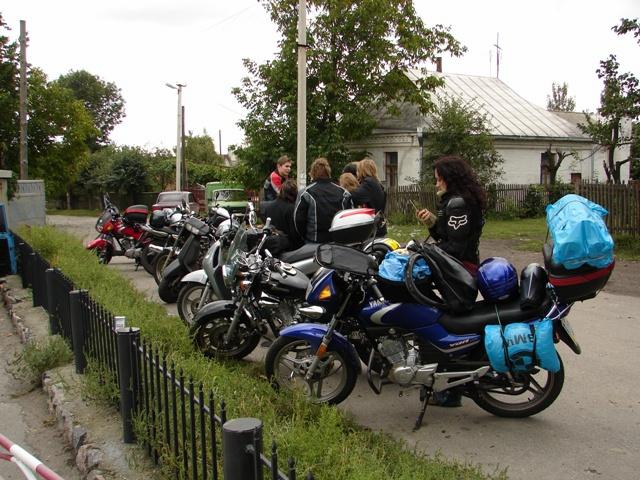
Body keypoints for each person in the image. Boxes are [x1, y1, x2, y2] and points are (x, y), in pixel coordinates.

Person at [416, 154, 487, 407]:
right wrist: (432, 223)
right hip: (459, 267)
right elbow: (448, 236)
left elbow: (455, 248)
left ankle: (450, 391)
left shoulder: (457, 203)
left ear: (449, 178)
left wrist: (424, 251)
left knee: (447, 326)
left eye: (438, 179)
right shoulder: (458, 200)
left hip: (459, 271)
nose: (436, 183)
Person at [294, 157, 353, 243]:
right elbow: (350, 218)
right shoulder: (343, 193)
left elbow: (298, 221)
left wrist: (305, 237)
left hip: (314, 242)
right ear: (328, 172)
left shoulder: (306, 193)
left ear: (312, 173)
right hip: (338, 242)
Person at [261, 179, 302, 254]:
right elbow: (295, 233)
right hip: (288, 249)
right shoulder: (292, 209)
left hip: (271, 248)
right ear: (294, 193)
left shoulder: (269, 207)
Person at [350, 158, 387, 236]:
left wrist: (345, 189)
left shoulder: (368, 183)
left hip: (372, 229)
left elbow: (354, 197)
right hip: (379, 226)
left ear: (362, 170)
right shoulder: (376, 182)